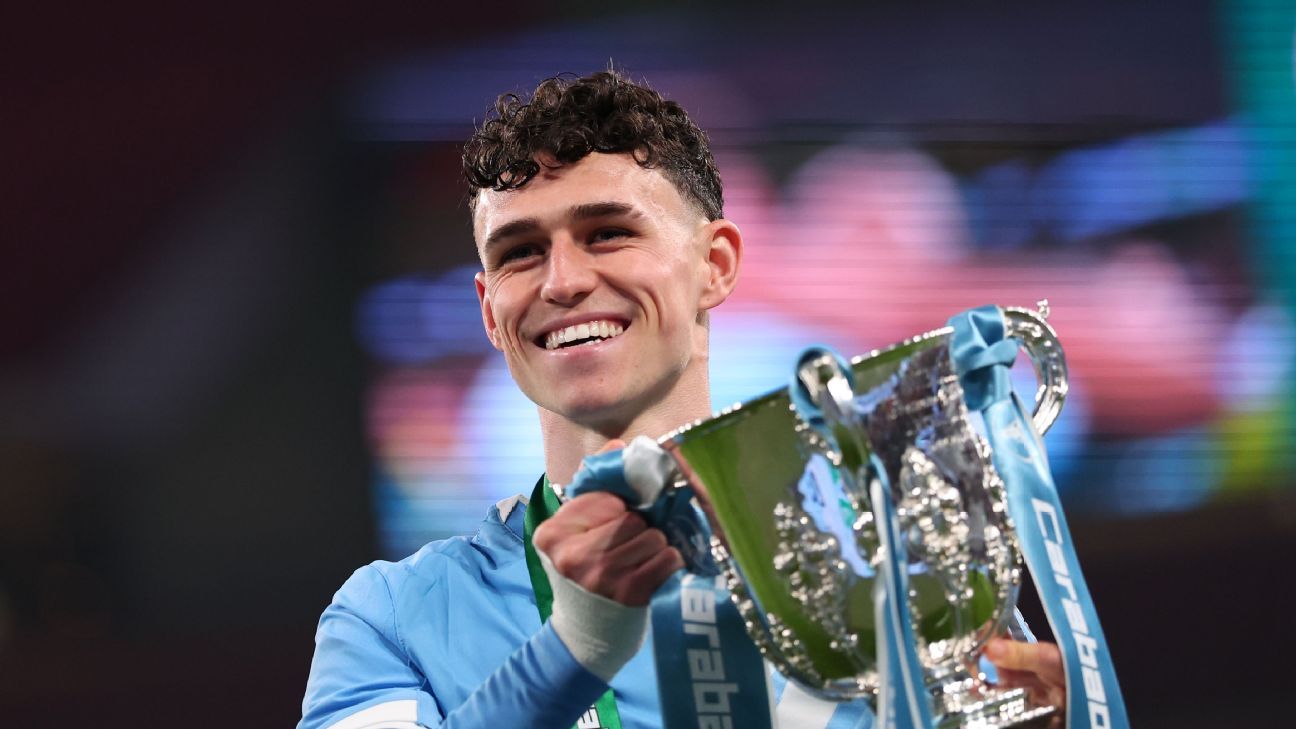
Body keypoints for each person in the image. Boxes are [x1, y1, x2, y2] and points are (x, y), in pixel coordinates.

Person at [299, 70, 1065, 729]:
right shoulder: (392, 617)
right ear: (489, 310)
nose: (562, 281)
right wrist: (570, 652)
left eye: (607, 233)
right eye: (520, 251)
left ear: (716, 264)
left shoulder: (899, 576)